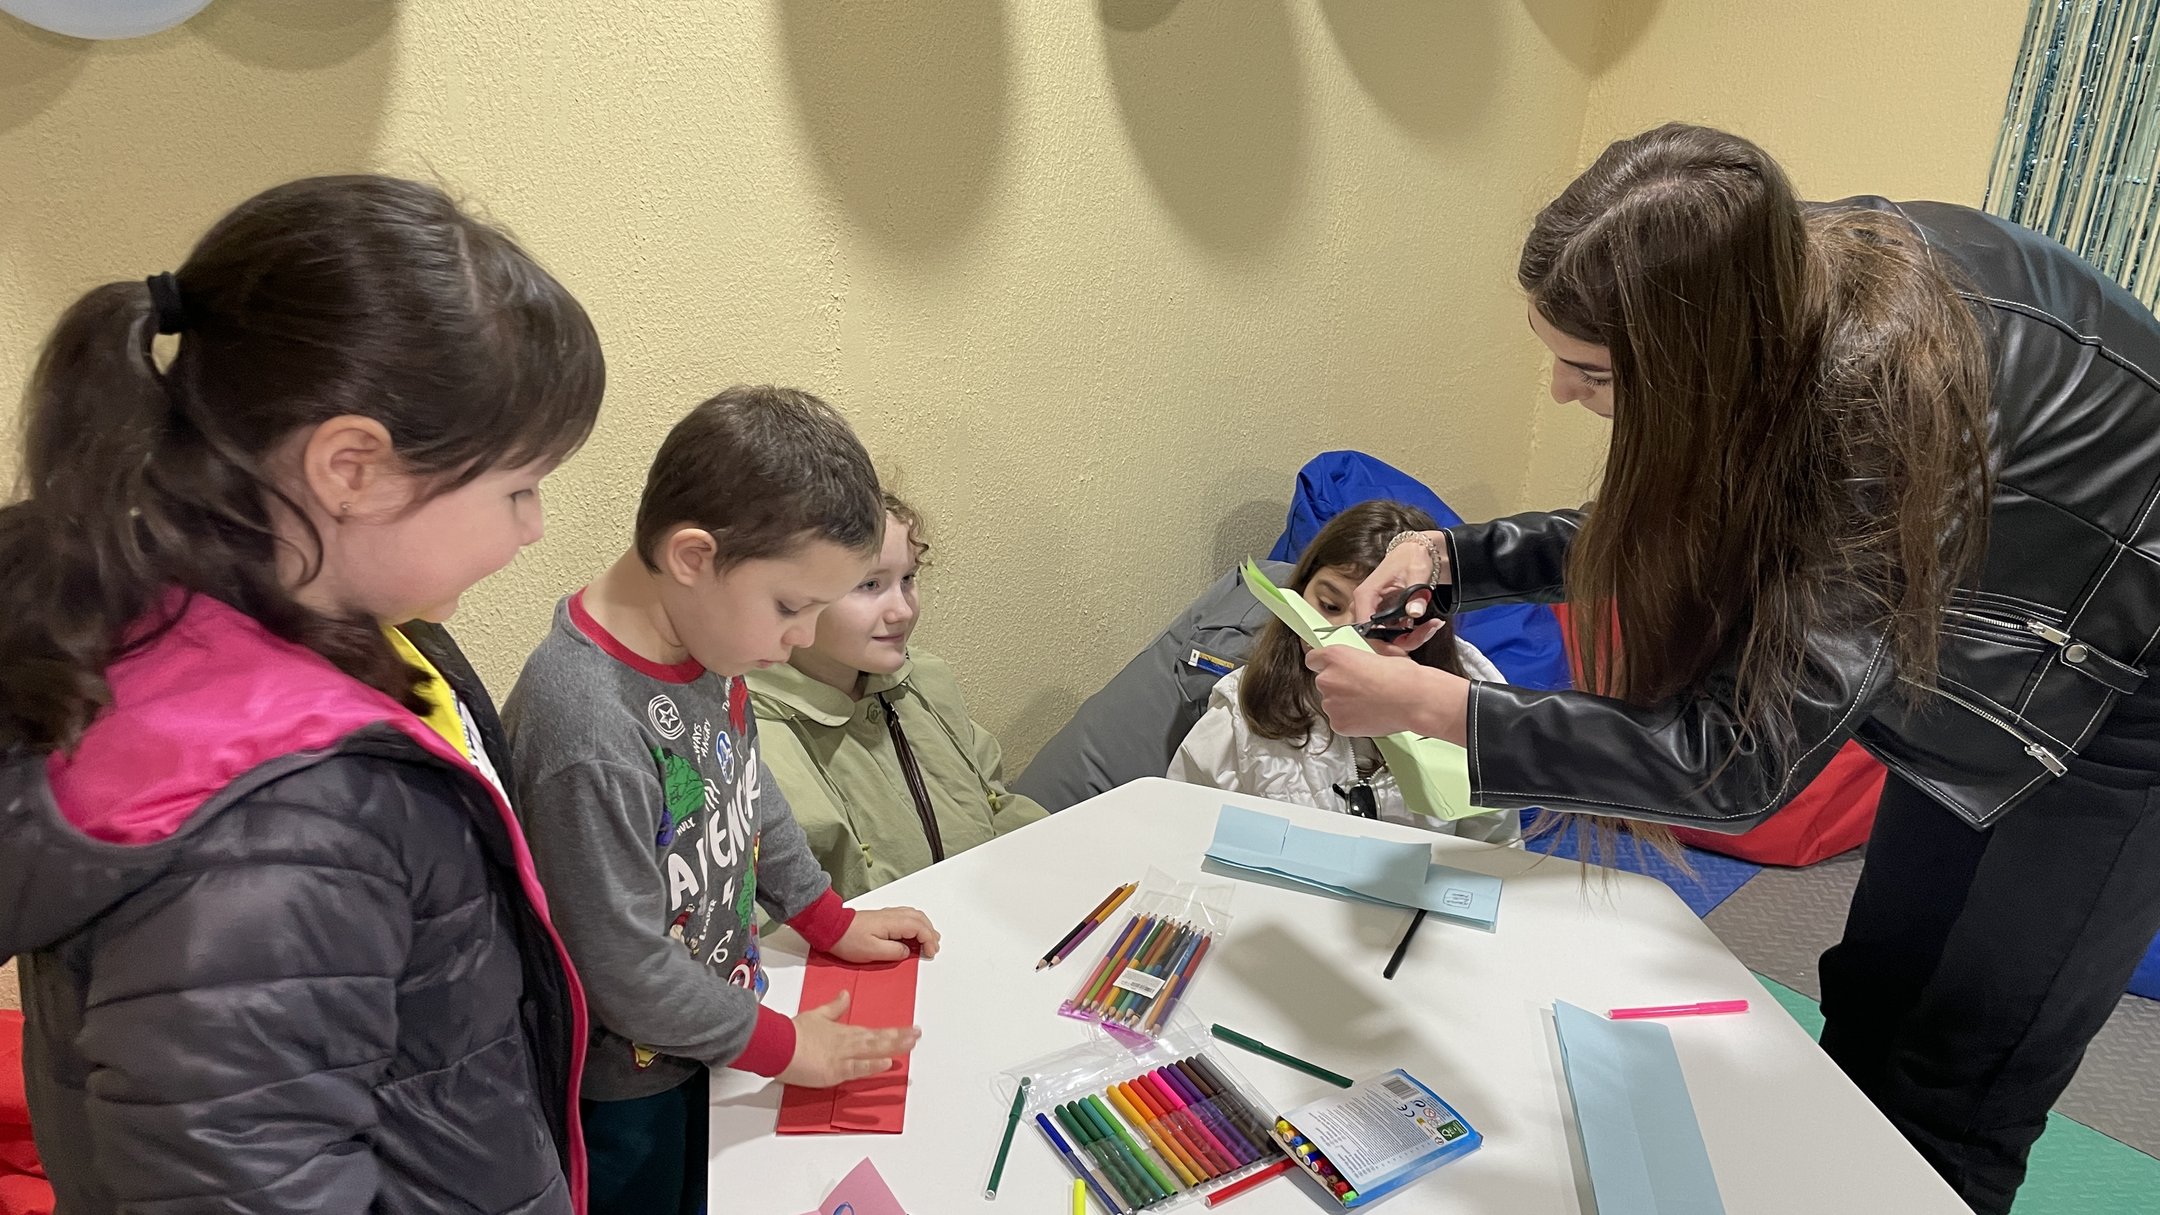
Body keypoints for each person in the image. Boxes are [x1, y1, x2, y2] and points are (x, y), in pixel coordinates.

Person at [1308, 123, 2160, 1213]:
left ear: (1688, 359)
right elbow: (1680, 524)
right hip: (1978, 632)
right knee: (1875, 994)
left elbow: (1739, 764)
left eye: (1591, 372)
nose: (1564, 394)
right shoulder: (1764, 278)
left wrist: (1451, 713)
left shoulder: (1881, 402)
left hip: (2126, 694)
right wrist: (1455, 556)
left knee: (1964, 1078)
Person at [0, 176, 604, 1213]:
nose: (533, 528)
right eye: (518, 488)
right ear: (352, 468)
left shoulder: (305, 652)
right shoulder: (288, 821)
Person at [503, 386, 942, 1215]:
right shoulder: (584, 725)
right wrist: (785, 1046)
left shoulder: (702, 644)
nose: (803, 638)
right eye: (791, 606)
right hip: (627, 1088)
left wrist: (827, 918)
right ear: (694, 558)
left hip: (717, 1032)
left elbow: (744, 790)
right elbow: (621, 964)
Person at [748, 491, 1049, 899]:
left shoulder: (924, 680)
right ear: (791, 598)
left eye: (907, 579)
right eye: (870, 584)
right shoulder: (749, 744)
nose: (902, 610)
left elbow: (992, 801)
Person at [1168, 501, 1517, 842]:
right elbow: (1180, 827)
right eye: (1329, 606)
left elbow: (1496, 852)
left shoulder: (1474, 708)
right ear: (1300, 590)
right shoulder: (1243, 708)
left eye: (1381, 618)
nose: (1343, 637)